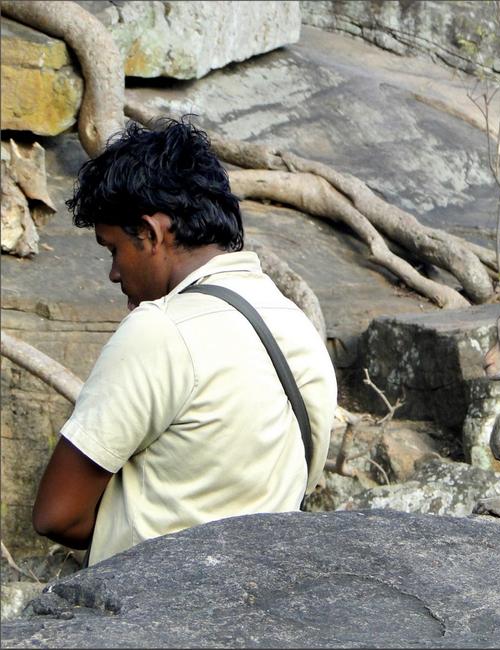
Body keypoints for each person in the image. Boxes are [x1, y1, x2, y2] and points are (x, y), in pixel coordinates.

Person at [31, 119, 337, 566]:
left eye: (113, 249)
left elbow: (57, 515)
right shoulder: (297, 328)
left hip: (152, 613)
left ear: (152, 233)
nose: (114, 273)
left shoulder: (160, 330)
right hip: (261, 608)